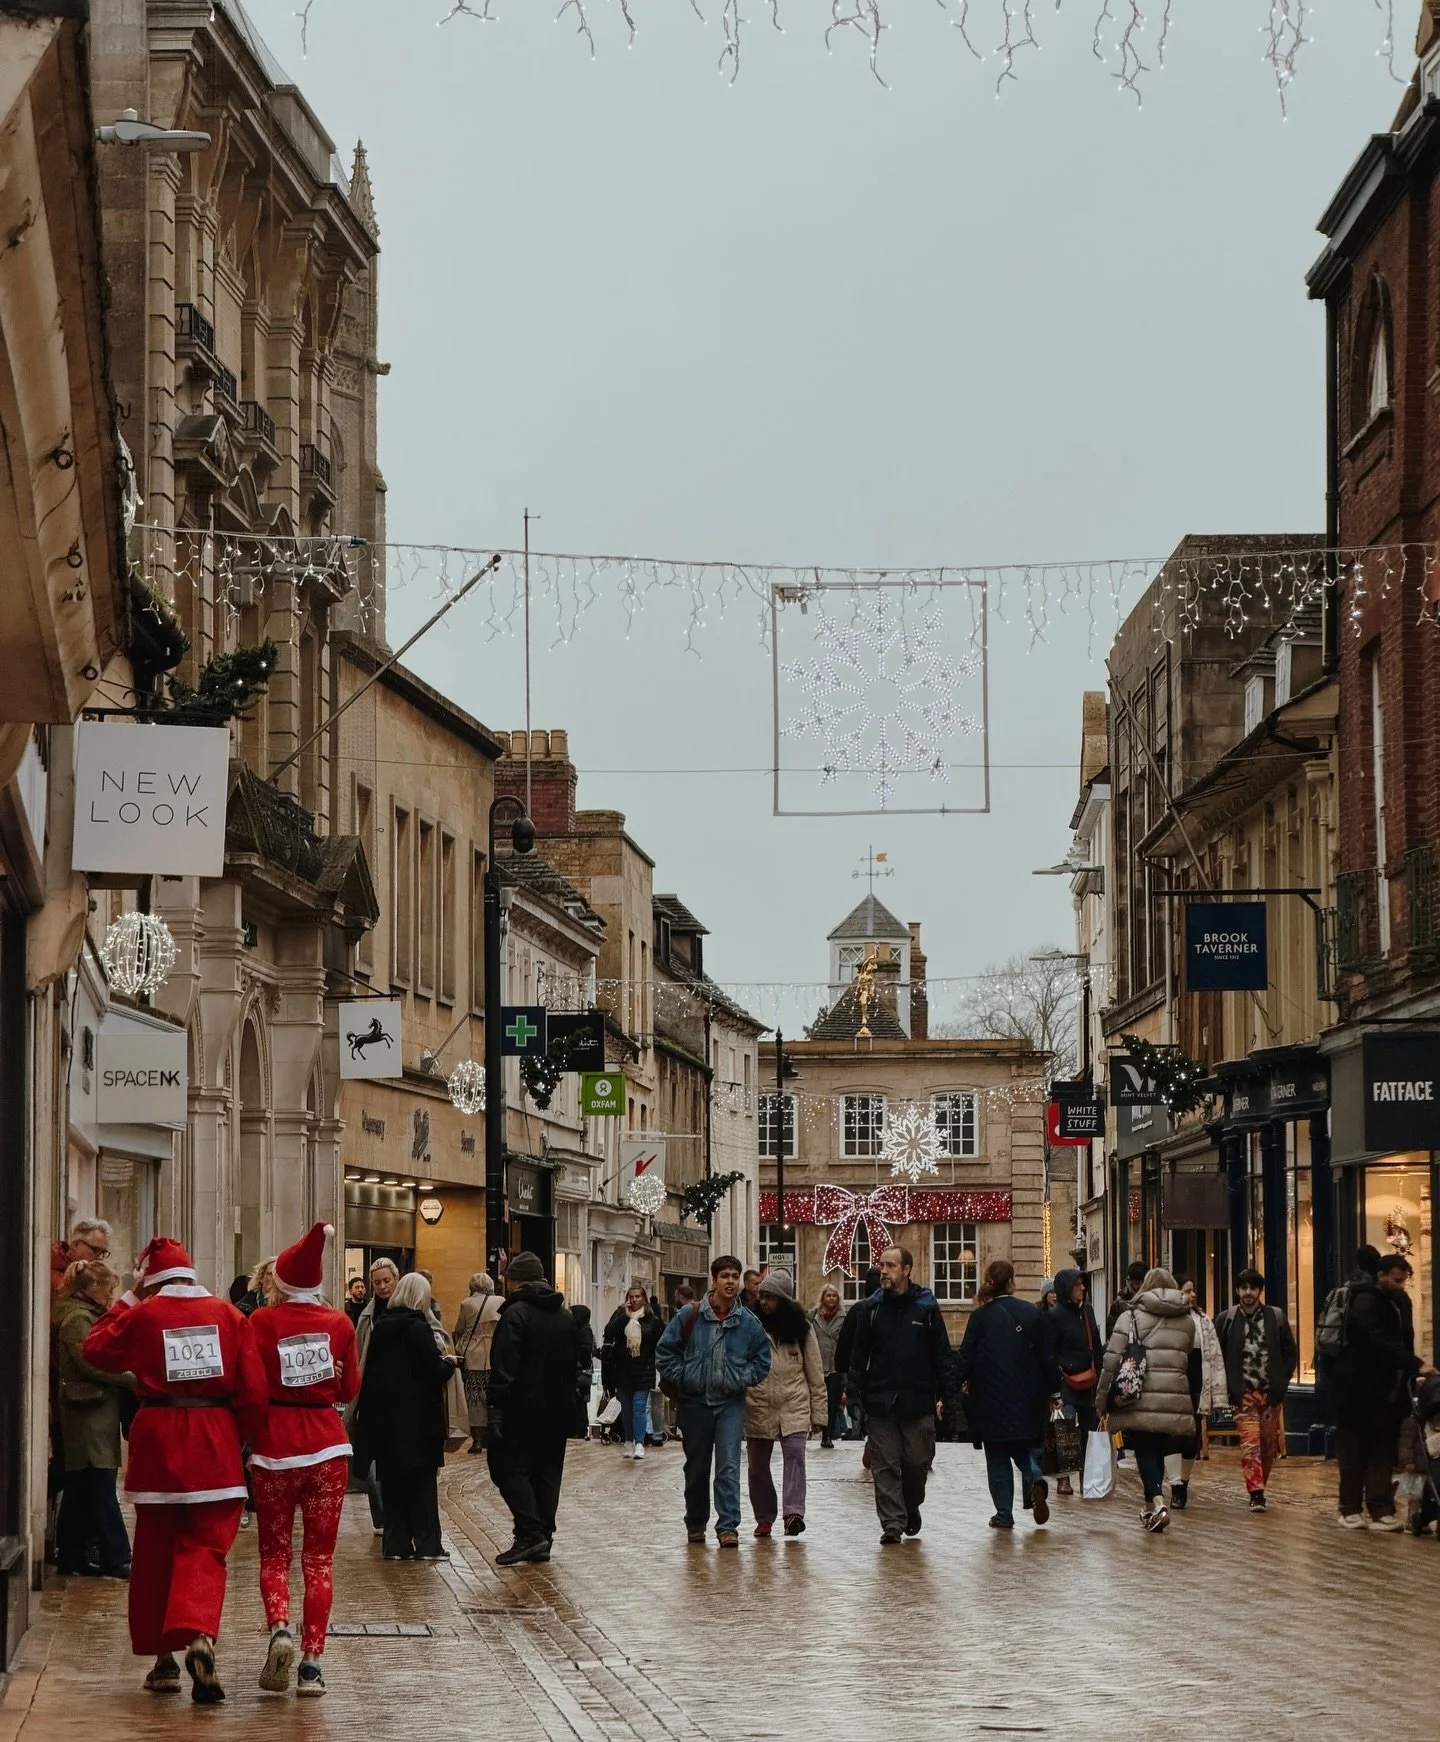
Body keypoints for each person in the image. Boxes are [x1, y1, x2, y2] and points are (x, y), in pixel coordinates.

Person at [81, 1235, 267, 1704]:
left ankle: (163, 1659)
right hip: (214, 1438)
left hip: (157, 1438)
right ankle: (199, 1633)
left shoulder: (144, 1314)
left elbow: (95, 1349)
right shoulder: (229, 1316)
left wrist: (129, 1296)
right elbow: (253, 1392)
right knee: (206, 1547)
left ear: (152, 1280)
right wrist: (237, 1439)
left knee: (153, 1551)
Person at [247, 1222, 358, 1699]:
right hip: (328, 1448)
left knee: (275, 1554)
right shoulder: (340, 1324)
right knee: (319, 1560)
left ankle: (279, 1627)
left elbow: (251, 1387)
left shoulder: (260, 1323)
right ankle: (312, 1664)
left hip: (275, 1449)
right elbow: (350, 1388)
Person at [656, 1254, 771, 1547]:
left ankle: (728, 1525)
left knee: (728, 1465)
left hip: (730, 1402)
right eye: (724, 1276)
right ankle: (696, 1522)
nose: (730, 1282)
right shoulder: (691, 1315)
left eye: (735, 1276)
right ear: (714, 1279)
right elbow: (665, 1352)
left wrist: (740, 1377)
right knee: (697, 1467)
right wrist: (686, 1375)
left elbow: (762, 1361)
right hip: (694, 1402)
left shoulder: (748, 1322)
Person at [846, 1245, 953, 1545]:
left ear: (906, 1270)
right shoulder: (872, 1309)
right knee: (885, 1465)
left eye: (891, 1265)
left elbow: (942, 1355)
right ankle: (892, 1523)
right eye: (882, 1265)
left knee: (917, 1463)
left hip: (917, 1400)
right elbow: (858, 1355)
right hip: (880, 1401)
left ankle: (911, 1504)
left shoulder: (926, 1307)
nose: (884, 1271)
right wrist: (854, 1393)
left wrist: (949, 1397)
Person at [486, 1251, 580, 1566]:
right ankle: (543, 1535)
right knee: (547, 1473)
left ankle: (530, 1531)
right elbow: (574, 1365)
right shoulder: (565, 1316)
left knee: (507, 1468)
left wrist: (497, 1408)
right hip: (558, 1409)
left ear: (514, 1281)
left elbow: (504, 1366)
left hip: (521, 1409)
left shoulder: (516, 1314)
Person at [355, 1271, 456, 1562]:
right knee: (422, 1486)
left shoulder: (382, 1327)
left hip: (386, 1422)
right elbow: (433, 1371)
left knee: (393, 1485)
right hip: (419, 1421)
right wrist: (449, 1365)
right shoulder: (418, 1328)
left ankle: (396, 1545)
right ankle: (427, 1545)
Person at [953, 1259, 1060, 1531]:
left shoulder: (980, 1317)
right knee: (1022, 1449)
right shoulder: (1032, 1313)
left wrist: (951, 1386)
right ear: (1012, 1282)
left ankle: (1004, 1514)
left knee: (997, 1455)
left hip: (989, 1397)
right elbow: (1047, 1357)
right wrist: (1054, 1390)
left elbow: (965, 1356)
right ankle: (1034, 1476)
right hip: (1028, 1396)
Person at [1096, 1265, 1198, 1534]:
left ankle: (1159, 1503)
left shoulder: (1130, 1317)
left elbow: (1111, 1362)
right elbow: (1186, 1353)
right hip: (1173, 1396)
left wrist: (1102, 1400)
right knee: (1158, 1451)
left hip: (1139, 1396)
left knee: (1144, 1452)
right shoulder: (1187, 1320)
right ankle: (1150, 1508)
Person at [1331, 1246, 1425, 1531]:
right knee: (1354, 1451)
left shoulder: (1398, 1301)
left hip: (1386, 1389)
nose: (1401, 1285)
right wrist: (1415, 1364)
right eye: (1396, 1280)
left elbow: (1402, 1340)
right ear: (1381, 1275)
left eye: (1404, 1280)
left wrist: (1406, 1373)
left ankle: (1381, 1508)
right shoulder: (1366, 1301)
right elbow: (1378, 1341)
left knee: (1381, 1449)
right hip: (1355, 1389)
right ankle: (1350, 1509)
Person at [51, 1259, 133, 1578]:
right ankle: (116, 1555)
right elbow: (91, 1362)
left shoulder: (85, 1315)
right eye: (108, 1289)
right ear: (93, 1287)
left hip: (95, 1412)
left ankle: (72, 1554)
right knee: (99, 1483)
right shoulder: (77, 1319)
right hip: (88, 1413)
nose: (110, 1296)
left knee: (81, 1488)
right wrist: (130, 1378)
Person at [745, 1272, 827, 1537]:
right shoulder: (749, 1325)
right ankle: (764, 1517)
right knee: (758, 1466)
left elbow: (815, 1372)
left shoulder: (802, 1329)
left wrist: (819, 1415)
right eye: (762, 1296)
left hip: (794, 1404)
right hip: (758, 1404)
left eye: (770, 1297)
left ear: (782, 1299)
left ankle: (793, 1513)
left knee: (795, 1457)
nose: (764, 1302)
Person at [1213, 1267, 1297, 1514]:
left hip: (1270, 1394)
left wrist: (1282, 1381)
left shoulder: (1275, 1317)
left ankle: (1260, 1484)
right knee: (1251, 1444)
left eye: (1253, 1288)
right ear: (1237, 1290)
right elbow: (1217, 1355)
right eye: (1244, 1288)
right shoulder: (1227, 1320)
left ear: (1260, 1290)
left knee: (1268, 1446)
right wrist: (1228, 1386)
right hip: (1244, 1395)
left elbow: (1289, 1351)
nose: (1248, 1292)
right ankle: (1256, 1493)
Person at [1164, 1276, 1226, 1509]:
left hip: (1197, 1386)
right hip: (1173, 1386)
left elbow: (1215, 1357)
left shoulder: (1203, 1321)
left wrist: (1218, 1392)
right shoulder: (1166, 1320)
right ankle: (1175, 1487)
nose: (1192, 1295)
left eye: (1193, 1291)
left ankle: (1184, 1481)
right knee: (1173, 1437)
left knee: (1191, 1440)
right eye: (1186, 1291)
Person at [349, 1257, 400, 1532]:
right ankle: (381, 1516)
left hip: (399, 1395)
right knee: (370, 1456)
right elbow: (357, 1353)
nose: (382, 1286)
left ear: (396, 1279)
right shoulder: (367, 1316)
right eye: (377, 1282)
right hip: (370, 1396)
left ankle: (395, 1513)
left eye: (386, 1281)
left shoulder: (411, 1308)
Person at [1048, 1267, 1102, 1497]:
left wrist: (1099, 1370)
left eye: (1082, 1284)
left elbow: (1096, 1344)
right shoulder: (1055, 1315)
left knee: (1089, 1431)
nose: (1082, 1288)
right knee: (1066, 1429)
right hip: (1065, 1381)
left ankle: (1087, 1477)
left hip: (1088, 1380)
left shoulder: (1087, 1311)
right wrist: (1058, 1374)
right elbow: (1050, 1351)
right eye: (1077, 1285)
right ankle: (1064, 1477)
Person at [601, 1283, 663, 1459]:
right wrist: (624, 1316)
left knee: (639, 1408)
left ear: (644, 1299)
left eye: (638, 1296)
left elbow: (658, 1341)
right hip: (622, 1370)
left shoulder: (651, 1319)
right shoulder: (621, 1315)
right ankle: (628, 1440)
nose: (634, 1300)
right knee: (627, 1410)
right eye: (631, 1297)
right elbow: (608, 1331)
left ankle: (640, 1443)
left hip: (643, 1370)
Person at [452, 1272, 502, 1453]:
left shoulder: (467, 1304)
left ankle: (478, 1441)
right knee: (494, 1396)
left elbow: (459, 1328)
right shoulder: (501, 1301)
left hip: (473, 1356)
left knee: (475, 1398)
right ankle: (495, 1436)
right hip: (495, 1354)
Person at [834, 1265, 882, 1441]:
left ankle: (857, 1430)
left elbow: (844, 1341)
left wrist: (841, 1367)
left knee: (857, 1400)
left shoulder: (858, 1308)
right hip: (877, 1365)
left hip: (857, 1364)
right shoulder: (885, 1308)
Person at [808, 1284, 845, 1449]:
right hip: (817, 1365)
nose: (831, 1299)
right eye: (828, 1295)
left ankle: (827, 1434)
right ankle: (817, 1428)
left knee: (832, 1402)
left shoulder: (843, 1317)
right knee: (818, 1400)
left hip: (835, 1365)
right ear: (823, 1297)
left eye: (834, 1296)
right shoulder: (812, 1316)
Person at [51, 1218, 113, 1296]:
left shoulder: (90, 1276)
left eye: (103, 1253)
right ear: (76, 1245)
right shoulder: (55, 1275)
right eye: (96, 1250)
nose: (100, 1258)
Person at [571, 1304, 596, 1440]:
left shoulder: (584, 1331)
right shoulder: (582, 1330)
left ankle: (580, 1429)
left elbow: (585, 1351)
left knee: (579, 1400)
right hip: (582, 1371)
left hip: (581, 1372)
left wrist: (577, 1364)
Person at [1106, 1259, 1149, 1338]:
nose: (1139, 1287)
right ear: (1129, 1282)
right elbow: (1111, 1330)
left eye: (1142, 1283)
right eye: (1136, 1283)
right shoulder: (1119, 1304)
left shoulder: (1152, 1300)